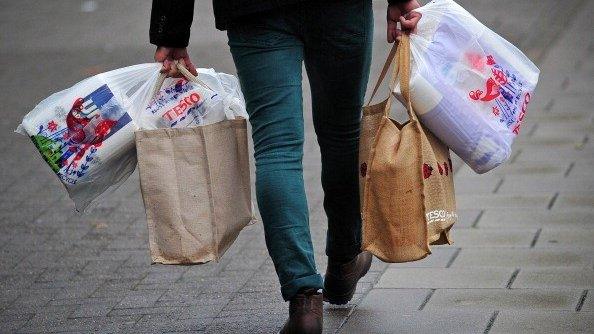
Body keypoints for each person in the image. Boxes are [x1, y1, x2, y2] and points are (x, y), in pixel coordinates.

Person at [149, 1, 421, 333]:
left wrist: (172, 30)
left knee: (277, 148)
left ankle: (304, 297)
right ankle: (345, 257)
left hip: (256, 11)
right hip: (342, 9)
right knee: (343, 135)